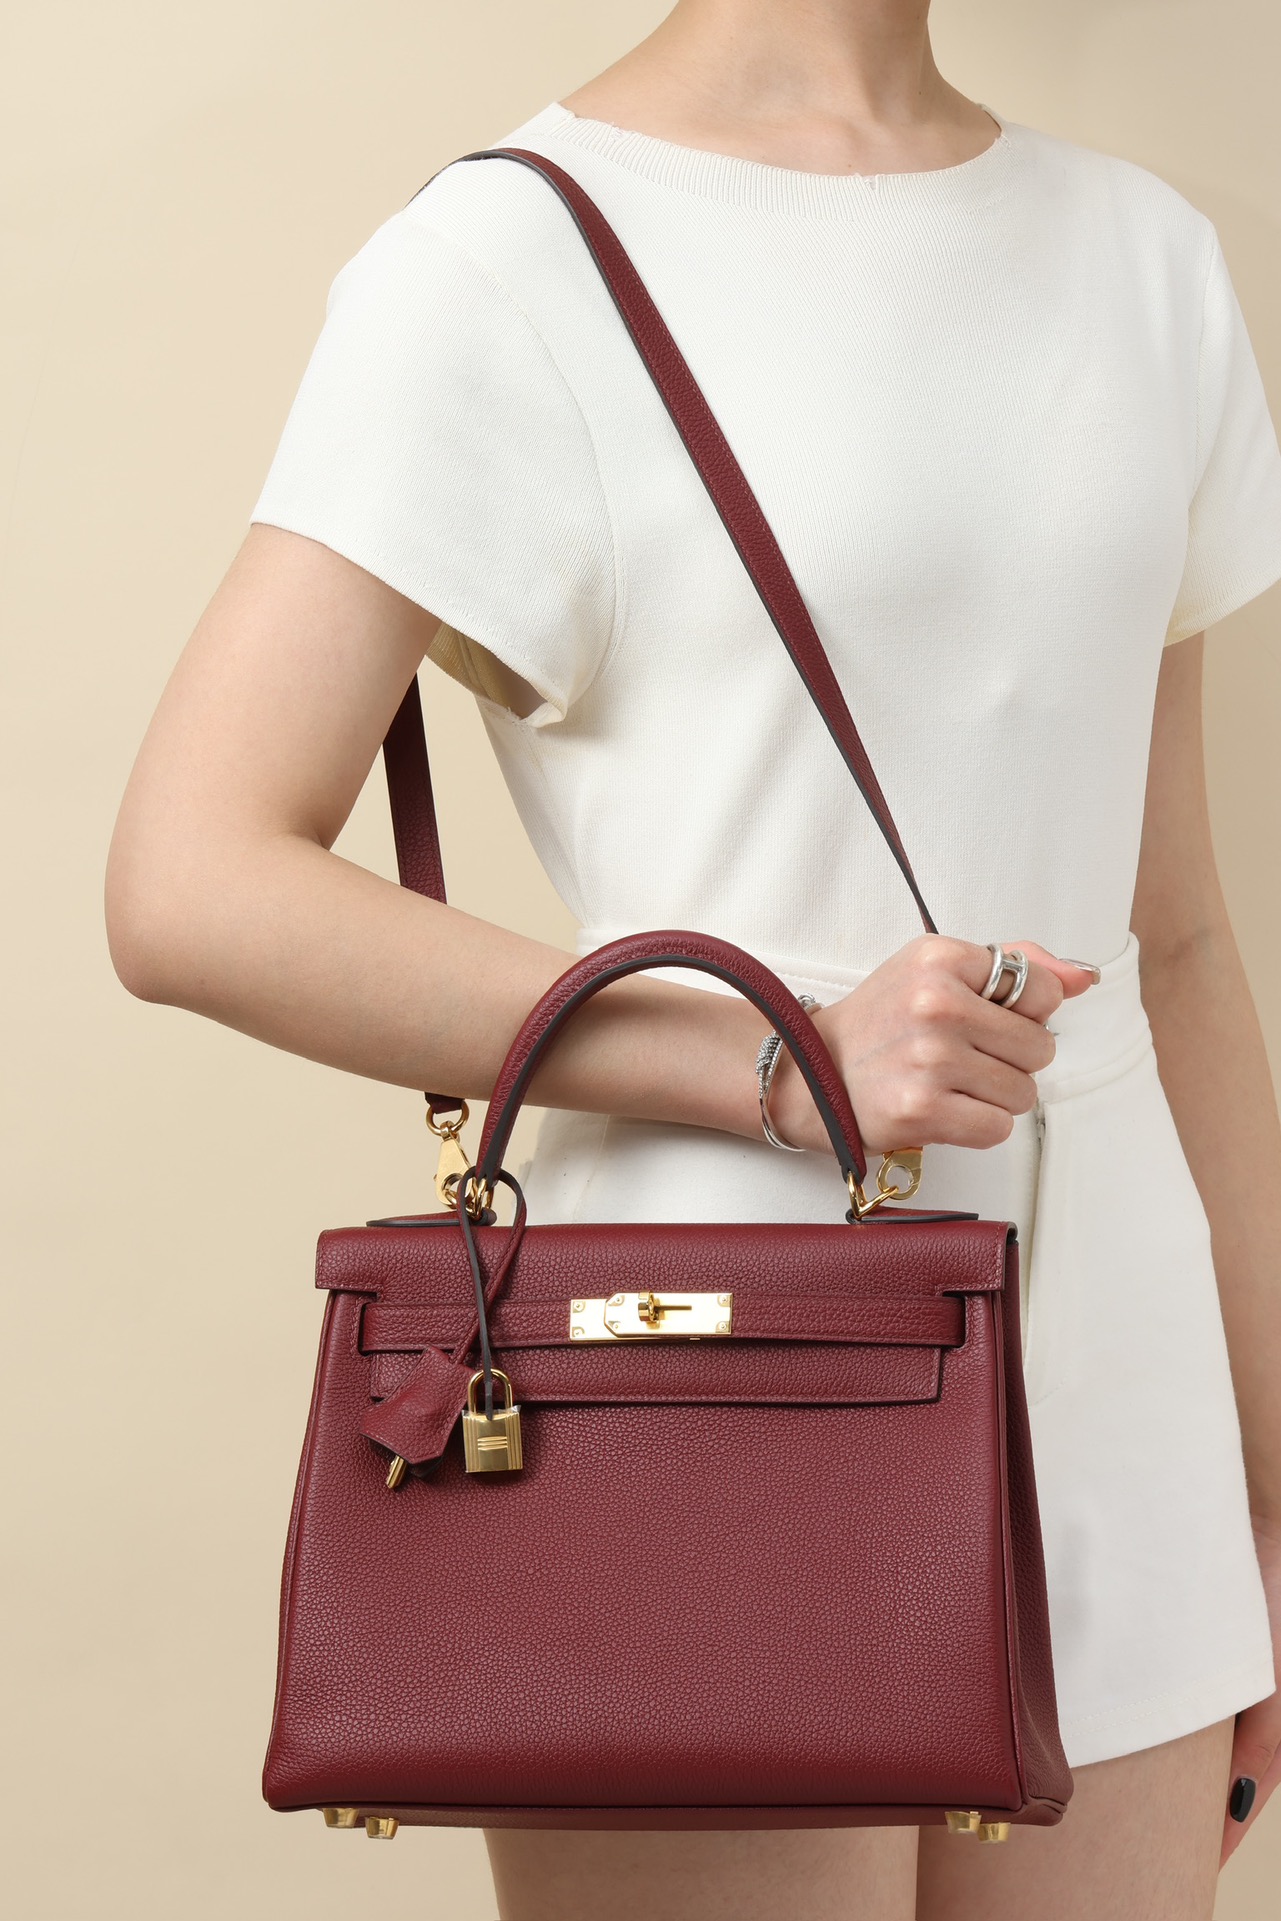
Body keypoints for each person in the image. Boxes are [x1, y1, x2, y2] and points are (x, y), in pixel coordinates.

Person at [104, 2, 1281, 1916]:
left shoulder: (1139, 256)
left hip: (1122, 1388)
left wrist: (1271, 1484)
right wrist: (778, 1052)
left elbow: (1181, 936)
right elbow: (186, 877)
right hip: (707, 1381)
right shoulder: (507, 262)